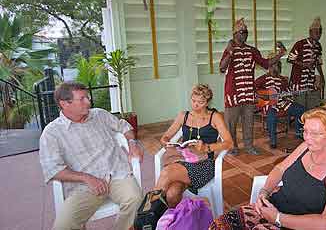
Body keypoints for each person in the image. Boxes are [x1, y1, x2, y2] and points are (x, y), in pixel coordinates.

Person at [209, 102, 326, 230]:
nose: (307, 138)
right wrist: (264, 191)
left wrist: (278, 218)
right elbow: (280, 168)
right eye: (305, 131)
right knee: (219, 225)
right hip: (274, 207)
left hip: (298, 224)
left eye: (315, 134)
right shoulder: (305, 147)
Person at [39, 82, 144, 230]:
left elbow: (124, 126)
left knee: (135, 199)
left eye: (87, 97)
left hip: (117, 174)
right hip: (84, 186)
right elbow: (53, 169)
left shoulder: (99, 114)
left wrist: (133, 143)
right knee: (63, 226)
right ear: (64, 104)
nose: (88, 102)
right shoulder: (52, 133)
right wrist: (86, 178)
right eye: (82, 99)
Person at [145, 84, 233, 226]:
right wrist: (166, 142)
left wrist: (207, 147)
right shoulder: (183, 116)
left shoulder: (215, 117)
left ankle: (147, 217)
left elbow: (229, 143)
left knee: (167, 172)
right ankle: (172, 223)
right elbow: (166, 136)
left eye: (200, 102)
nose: (195, 105)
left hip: (204, 166)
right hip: (183, 159)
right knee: (172, 193)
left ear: (207, 102)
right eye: (193, 100)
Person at [220, 17, 286, 155]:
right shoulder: (229, 50)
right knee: (231, 124)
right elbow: (222, 67)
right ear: (235, 34)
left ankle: (249, 146)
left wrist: (280, 54)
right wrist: (230, 52)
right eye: (241, 32)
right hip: (233, 95)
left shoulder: (252, 51)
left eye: (246, 32)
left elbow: (266, 63)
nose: (244, 34)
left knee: (248, 122)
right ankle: (232, 147)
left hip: (249, 94)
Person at [255, 57, 305, 148]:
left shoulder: (283, 80)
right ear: (269, 67)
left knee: (301, 110)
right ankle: (273, 140)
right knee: (271, 116)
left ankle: (299, 132)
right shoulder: (263, 79)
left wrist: (287, 96)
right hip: (269, 104)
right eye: (273, 66)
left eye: (277, 66)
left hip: (283, 102)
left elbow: (289, 93)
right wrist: (262, 96)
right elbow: (252, 89)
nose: (275, 68)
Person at [287, 16, 325, 110]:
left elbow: (318, 63)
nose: (318, 35)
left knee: (310, 107)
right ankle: (300, 124)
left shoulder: (318, 46)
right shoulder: (300, 44)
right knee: (300, 108)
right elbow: (290, 59)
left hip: (310, 81)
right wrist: (304, 65)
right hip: (298, 81)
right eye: (316, 33)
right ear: (310, 32)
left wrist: (322, 78)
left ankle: (308, 124)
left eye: (320, 33)